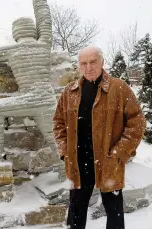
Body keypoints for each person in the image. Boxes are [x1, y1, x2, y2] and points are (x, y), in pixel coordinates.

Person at [53, 46, 146, 229]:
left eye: (93, 61)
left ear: (102, 62)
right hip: (79, 164)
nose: (89, 67)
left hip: (108, 161)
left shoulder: (119, 88)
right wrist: (65, 152)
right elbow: (58, 123)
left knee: (114, 212)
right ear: (79, 66)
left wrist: (119, 153)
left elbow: (137, 123)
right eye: (84, 63)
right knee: (76, 211)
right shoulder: (69, 92)